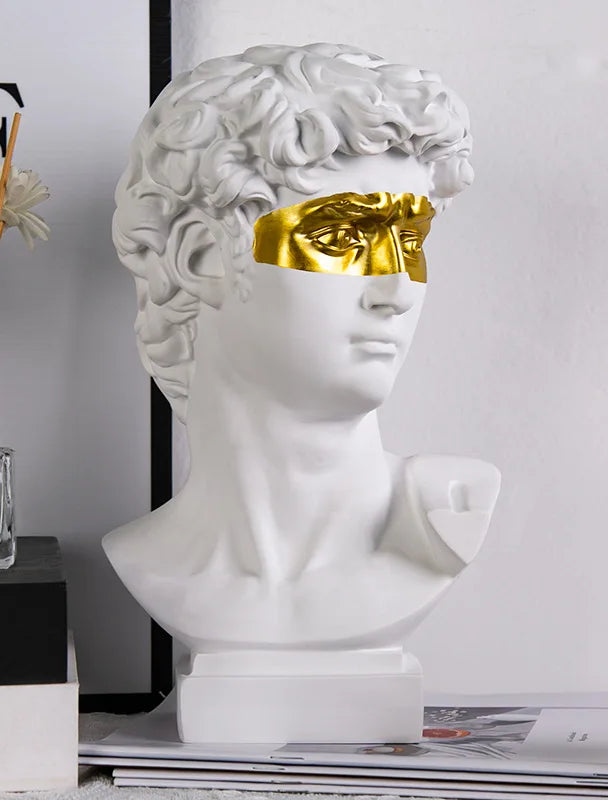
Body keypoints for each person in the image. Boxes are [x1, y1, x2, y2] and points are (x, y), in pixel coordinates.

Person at [106, 43, 499, 654]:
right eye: (343, 239)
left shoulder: (448, 517)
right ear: (202, 258)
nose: (397, 290)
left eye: (411, 243)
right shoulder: (146, 562)